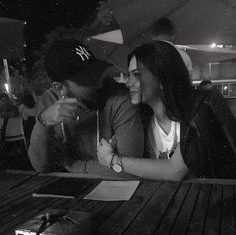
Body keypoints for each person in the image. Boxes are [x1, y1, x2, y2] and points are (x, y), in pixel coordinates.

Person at [98, 41, 236, 181]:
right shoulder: (144, 121)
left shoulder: (198, 110)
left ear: (163, 78)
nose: (128, 83)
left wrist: (112, 159)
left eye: (136, 75)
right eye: (129, 75)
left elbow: (175, 170)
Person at [28, 39, 143, 177]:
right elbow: (41, 166)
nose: (99, 82)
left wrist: (73, 166)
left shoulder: (119, 98)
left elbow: (129, 170)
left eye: (96, 72)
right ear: (59, 88)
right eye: (88, 80)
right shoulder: (49, 102)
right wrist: (43, 122)